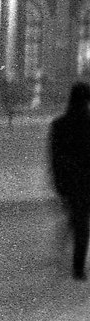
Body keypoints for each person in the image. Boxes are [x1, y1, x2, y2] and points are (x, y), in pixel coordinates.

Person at [48, 83, 90, 280]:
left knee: (77, 221)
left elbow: (55, 158)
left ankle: (65, 256)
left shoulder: (59, 125)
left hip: (70, 183)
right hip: (86, 183)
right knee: (81, 224)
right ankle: (77, 267)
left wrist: (59, 184)